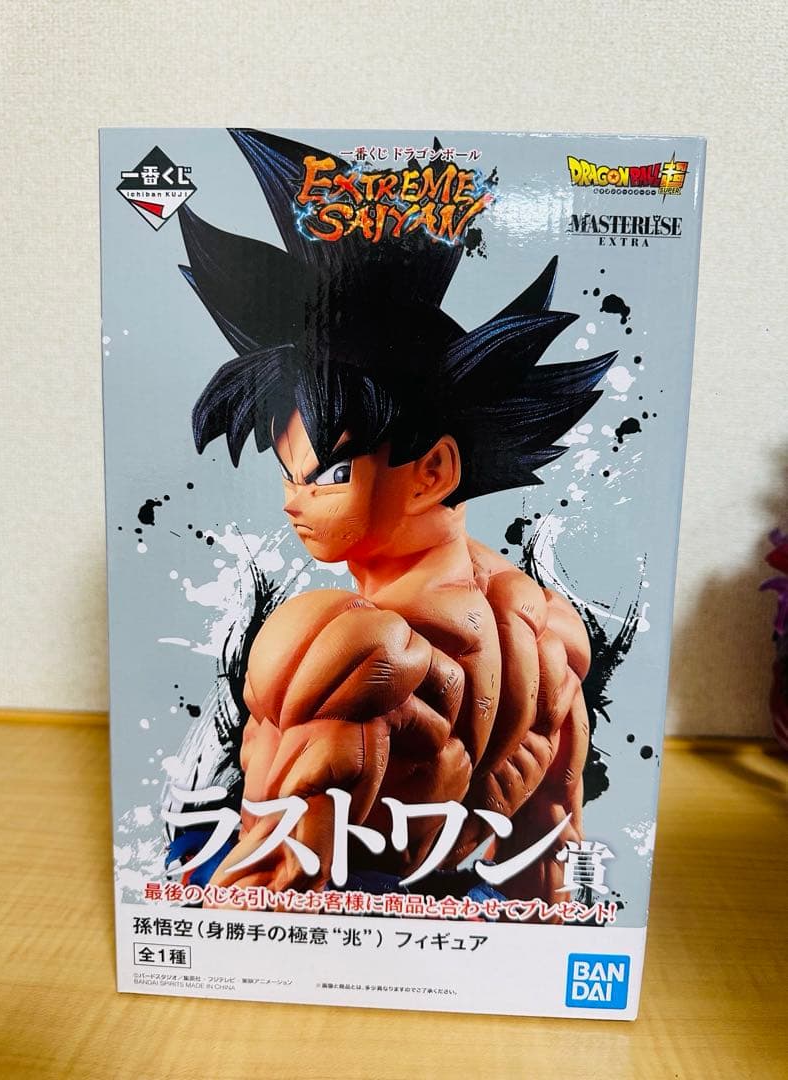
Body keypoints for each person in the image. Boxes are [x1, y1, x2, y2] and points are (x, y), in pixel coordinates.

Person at [178, 129, 616, 901]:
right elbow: (553, 867)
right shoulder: (550, 630)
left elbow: (267, 885)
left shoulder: (348, 645)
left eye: (330, 475)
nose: (292, 500)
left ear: (434, 471)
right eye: (288, 474)